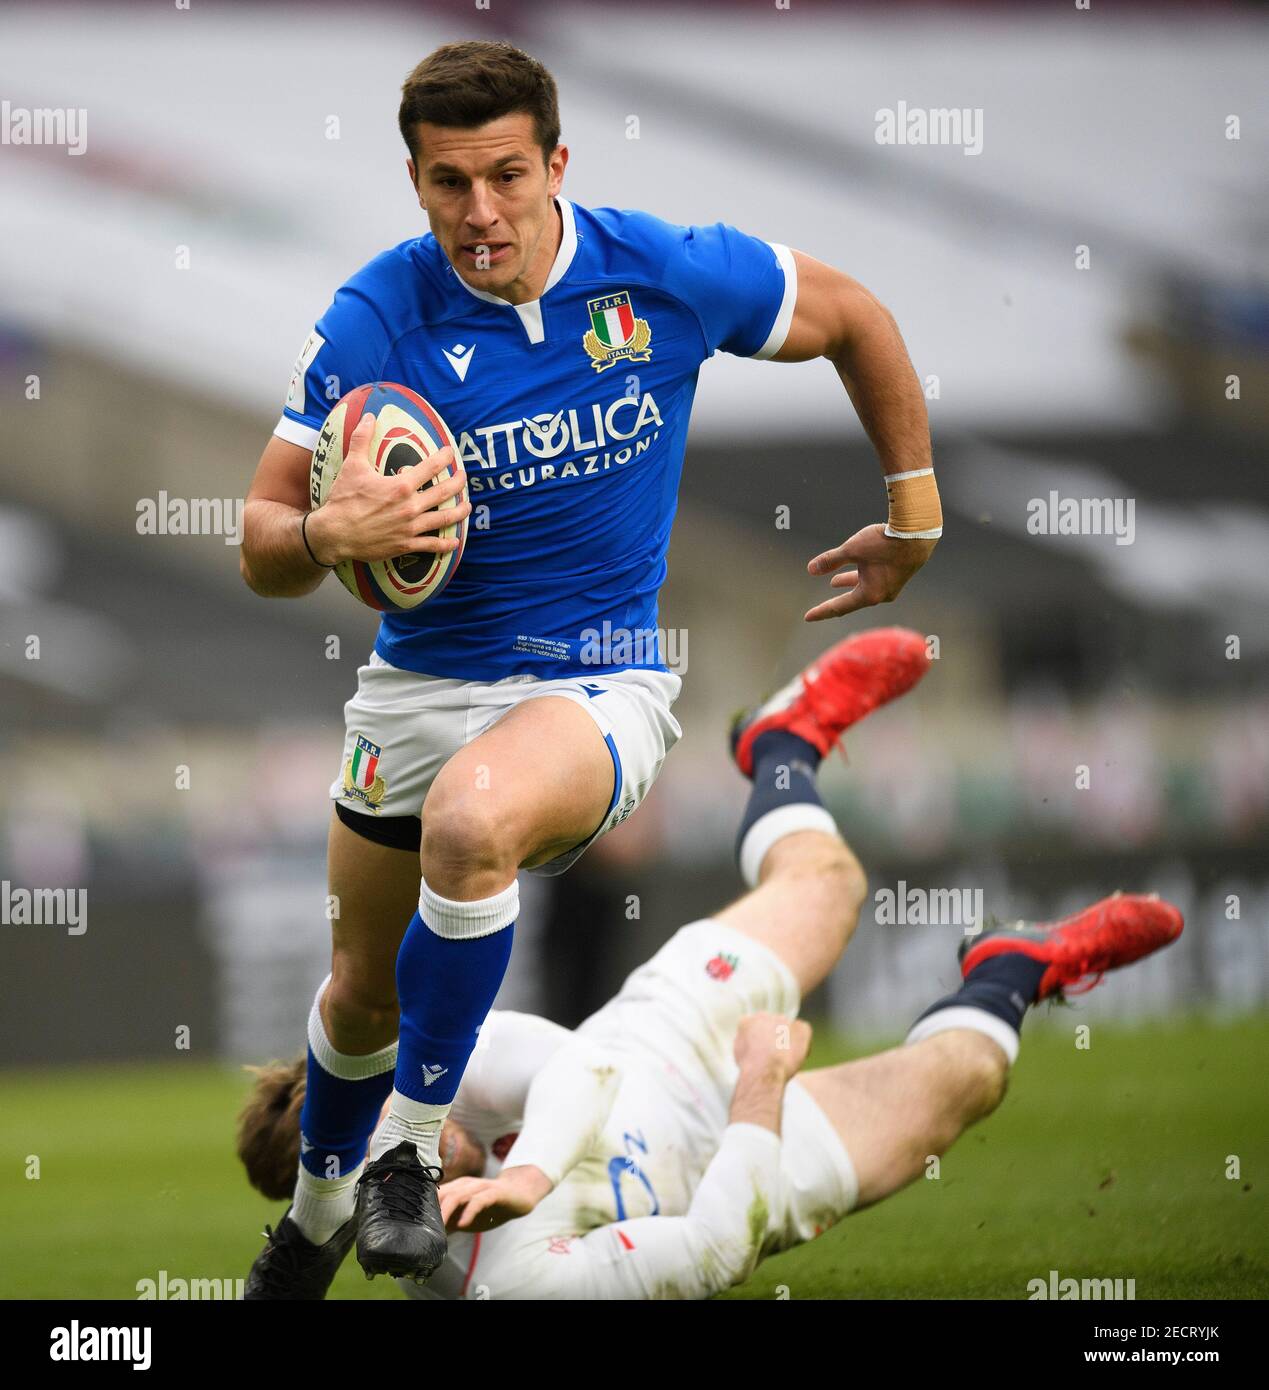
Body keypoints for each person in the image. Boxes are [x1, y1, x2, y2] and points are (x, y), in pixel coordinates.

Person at [239, 37, 942, 1293]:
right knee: (355, 995)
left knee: (474, 818)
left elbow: (856, 317)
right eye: (449, 183)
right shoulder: (373, 315)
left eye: (507, 175)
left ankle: (404, 1151)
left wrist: (915, 508)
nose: (481, 211)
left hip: (597, 680)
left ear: (557, 162)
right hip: (416, 688)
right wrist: (323, 536)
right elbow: (261, 540)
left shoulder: (660, 274)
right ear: (415, 183)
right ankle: (309, 1224)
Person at [238, 627, 1184, 1298]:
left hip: (663, 1035)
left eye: (381, 1130)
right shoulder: (505, 1284)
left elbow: (582, 1065)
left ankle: (782, 744)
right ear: (361, 1216)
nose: (408, 1148)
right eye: (372, 1171)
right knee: (968, 1080)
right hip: (732, 1154)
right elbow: (714, 1249)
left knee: (829, 886)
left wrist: (528, 1176)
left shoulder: (431, 1076)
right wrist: (761, 1089)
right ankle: (1014, 968)